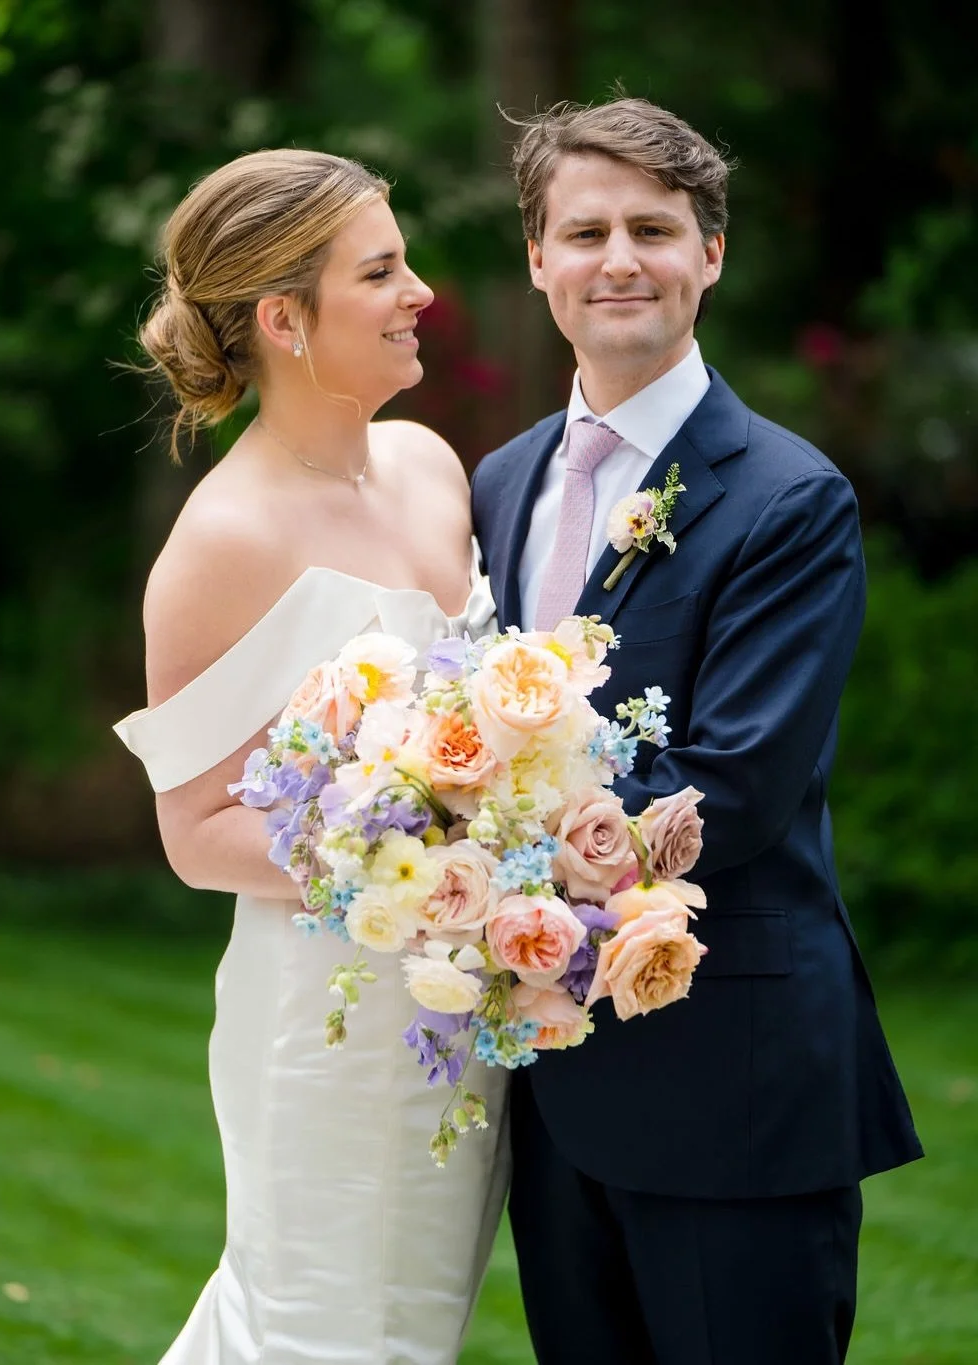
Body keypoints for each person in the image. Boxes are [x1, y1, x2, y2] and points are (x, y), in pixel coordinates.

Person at [471, 97, 923, 1365]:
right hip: (553, 1078)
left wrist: (473, 847)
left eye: (654, 229)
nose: (619, 260)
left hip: (733, 1077)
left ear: (709, 254)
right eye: (586, 232)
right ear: (538, 260)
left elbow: (733, 783)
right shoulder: (498, 482)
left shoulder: (789, 497)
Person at [113, 148, 508, 1365]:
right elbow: (196, 835)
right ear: (285, 320)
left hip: (459, 1010)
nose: (420, 293)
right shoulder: (225, 540)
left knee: (413, 1328)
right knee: (319, 1334)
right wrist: (421, 865)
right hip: (329, 1026)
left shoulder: (430, 466)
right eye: (380, 272)